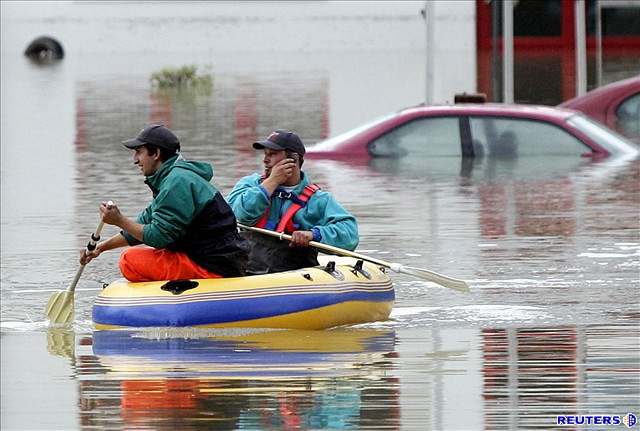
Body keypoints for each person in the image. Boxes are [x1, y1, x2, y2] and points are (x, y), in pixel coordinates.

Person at [80, 124, 248, 282]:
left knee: (128, 260)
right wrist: (101, 248)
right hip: (213, 258)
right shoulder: (174, 178)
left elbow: (158, 236)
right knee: (140, 254)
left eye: (139, 152)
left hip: (214, 266)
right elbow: (144, 223)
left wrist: (119, 220)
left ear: (156, 154)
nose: (135, 160)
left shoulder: (176, 182)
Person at [227, 129, 358, 274]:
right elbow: (240, 215)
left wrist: (314, 235)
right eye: (265, 154)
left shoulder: (318, 200)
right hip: (245, 271)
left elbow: (350, 235)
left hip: (294, 276)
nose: (265, 160)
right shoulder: (249, 185)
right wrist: (272, 182)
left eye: (272, 154)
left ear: (293, 159)